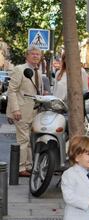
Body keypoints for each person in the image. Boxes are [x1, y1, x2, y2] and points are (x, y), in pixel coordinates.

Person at [6, 46, 43, 177]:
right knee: (23, 140)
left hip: (34, 112)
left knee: (29, 140)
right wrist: (15, 109)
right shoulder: (19, 69)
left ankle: (28, 166)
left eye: (38, 54)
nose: (35, 56)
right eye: (32, 54)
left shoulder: (38, 72)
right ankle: (21, 168)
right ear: (26, 56)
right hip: (21, 111)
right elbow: (12, 91)